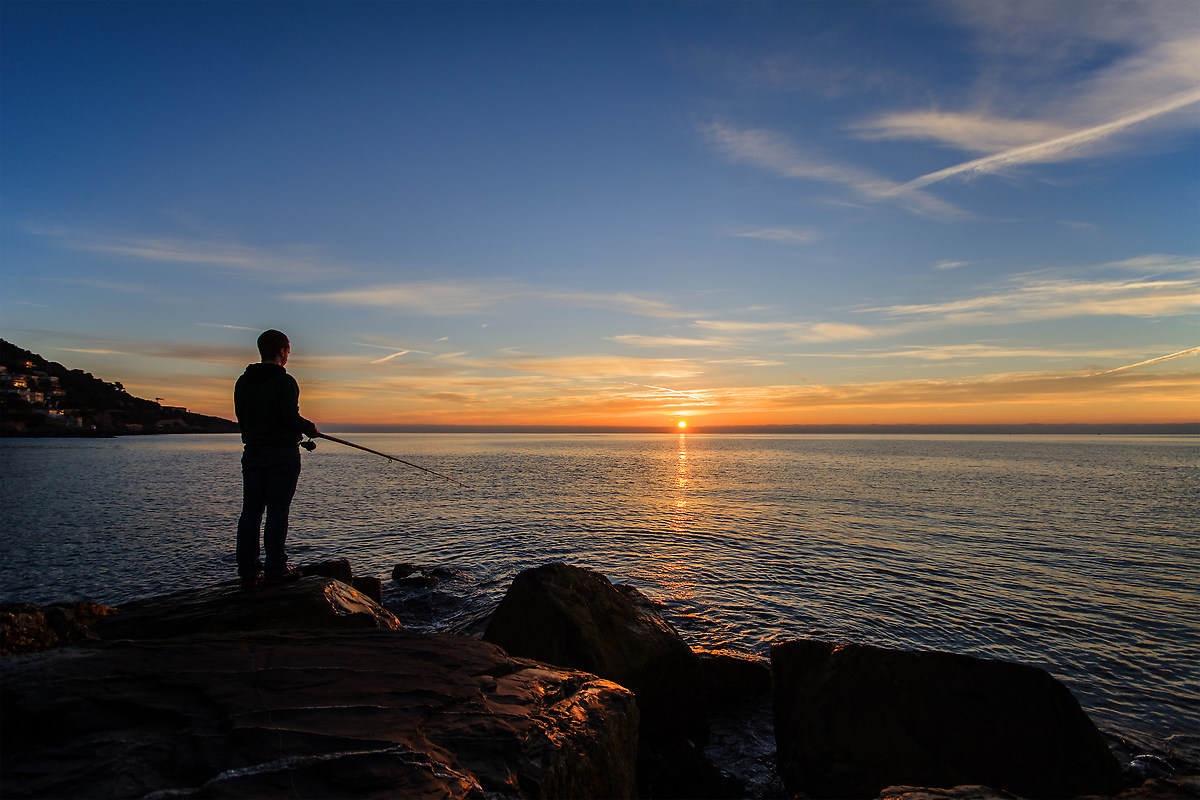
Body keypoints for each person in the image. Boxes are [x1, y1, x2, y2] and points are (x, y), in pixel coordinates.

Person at [234, 329, 319, 587]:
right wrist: (309, 428)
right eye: (288, 350)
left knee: (251, 512)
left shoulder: (243, 382)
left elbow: (244, 417)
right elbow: (288, 417)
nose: (288, 355)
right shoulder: (285, 381)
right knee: (277, 512)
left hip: (252, 452)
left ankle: (248, 572)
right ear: (282, 351)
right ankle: (275, 569)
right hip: (282, 454)